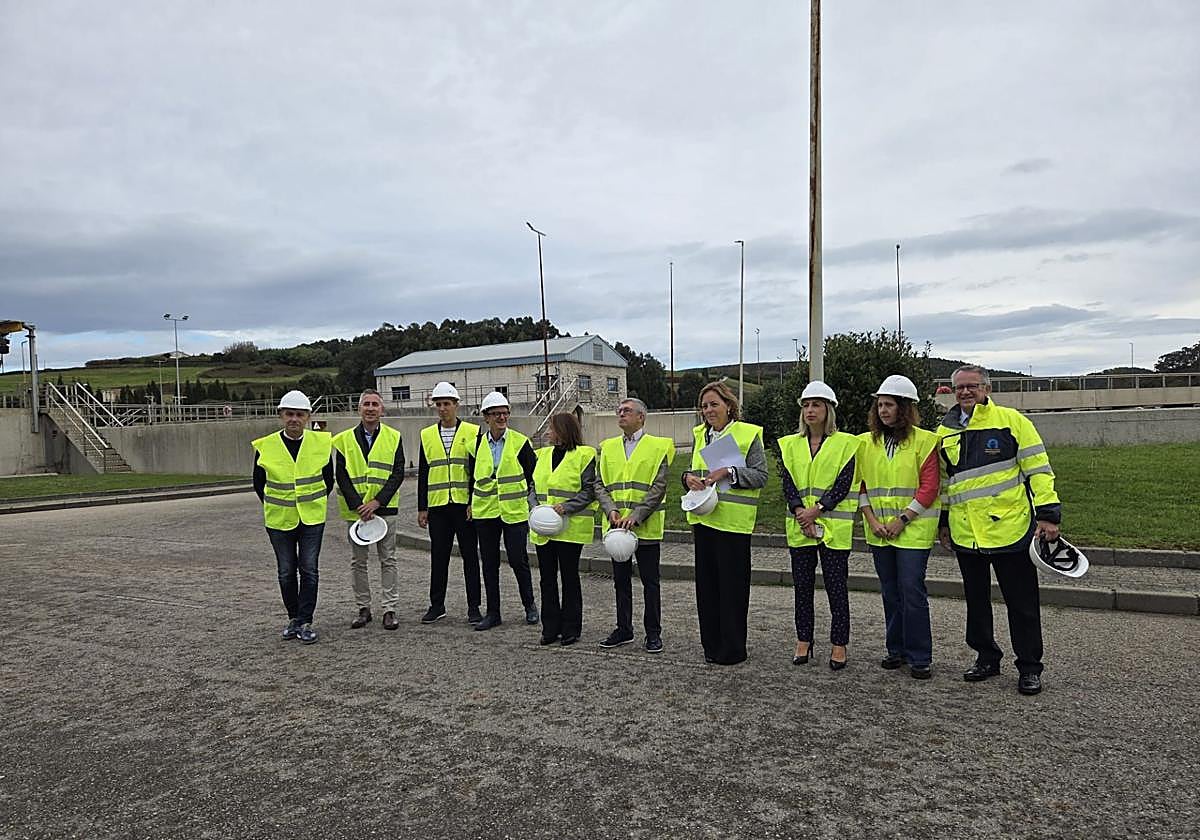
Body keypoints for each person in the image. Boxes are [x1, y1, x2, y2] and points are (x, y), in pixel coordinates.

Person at [937, 365, 1061, 696]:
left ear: (987, 388)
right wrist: (944, 522)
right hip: (967, 534)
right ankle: (986, 657)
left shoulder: (1012, 421)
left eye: (972, 386)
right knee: (977, 603)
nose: (965, 392)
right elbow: (946, 484)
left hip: (1010, 528)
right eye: (960, 387)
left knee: (1022, 604)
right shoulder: (944, 432)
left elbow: (1039, 470)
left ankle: (1030, 667)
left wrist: (1048, 515)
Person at [856, 375, 940, 679]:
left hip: (912, 531)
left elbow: (929, 488)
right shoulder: (867, 442)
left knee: (911, 591)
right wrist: (874, 520)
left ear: (904, 408)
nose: (883, 410)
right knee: (890, 592)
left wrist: (902, 520)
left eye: (889, 405)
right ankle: (896, 650)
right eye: (880, 405)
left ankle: (920, 656)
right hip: (879, 531)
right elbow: (861, 485)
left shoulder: (925, 441)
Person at [682, 381, 767, 665]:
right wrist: (687, 478)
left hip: (733, 525)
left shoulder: (747, 434)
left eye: (714, 404)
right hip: (704, 521)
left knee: (732, 590)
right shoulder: (700, 435)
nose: (708, 410)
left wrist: (729, 471)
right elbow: (694, 470)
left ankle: (732, 649)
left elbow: (761, 476)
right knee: (706, 589)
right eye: (704, 406)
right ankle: (711, 646)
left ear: (729, 406)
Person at [777, 381, 859, 671]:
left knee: (837, 589)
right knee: (802, 588)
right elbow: (787, 484)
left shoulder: (847, 443)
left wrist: (817, 511)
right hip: (801, 528)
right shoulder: (789, 444)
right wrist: (801, 512)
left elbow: (844, 484)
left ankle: (839, 644)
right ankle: (804, 639)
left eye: (816, 405)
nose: (810, 410)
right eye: (806, 405)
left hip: (832, 528)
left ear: (829, 409)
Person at [251, 390, 334, 645]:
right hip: (279, 520)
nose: (294, 419)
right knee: (286, 572)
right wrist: (279, 504)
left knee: (309, 569)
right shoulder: (265, 446)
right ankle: (293, 618)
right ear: (281, 416)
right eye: (289, 414)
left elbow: (328, 481)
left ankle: (306, 620)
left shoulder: (320, 444)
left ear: (308, 417)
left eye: (299, 414)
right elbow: (258, 483)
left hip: (311, 518)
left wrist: (310, 501)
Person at [593, 398, 676, 653]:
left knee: (651, 583)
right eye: (619, 411)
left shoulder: (658, 446)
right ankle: (623, 629)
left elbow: (659, 486)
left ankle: (653, 633)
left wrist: (637, 515)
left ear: (641, 417)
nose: (620, 414)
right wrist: (611, 510)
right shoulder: (607, 447)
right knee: (620, 582)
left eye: (626, 411)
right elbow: (599, 484)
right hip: (617, 529)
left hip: (645, 528)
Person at [332, 388, 405, 631]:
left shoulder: (394, 437)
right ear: (359, 408)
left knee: (389, 559)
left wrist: (377, 502)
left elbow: (397, 473)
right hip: (357, 513)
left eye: (375, 404)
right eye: (367, 404)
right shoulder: (343, 440)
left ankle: (389, 609)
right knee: (358, 562)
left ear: (382, 409)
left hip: (385, 509)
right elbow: (340, 475)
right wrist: (358, 505)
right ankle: (363, 608)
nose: (371, 408)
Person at [469, 391, 539, 631]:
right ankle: (493, 613)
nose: (501, 417)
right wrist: (470, 504)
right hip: (486, 513)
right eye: (496, 413)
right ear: (485, 418)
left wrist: (533, 505)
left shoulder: (520, 442)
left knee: (519, 561)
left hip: (514, 512)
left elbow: (533, 475)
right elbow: (471, 478)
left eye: (504, 413)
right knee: (489, 564)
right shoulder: (474, 445)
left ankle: (530, 606)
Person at [417, 381, 483, 626]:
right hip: (438, 507)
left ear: (457, 405)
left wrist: (474, 501)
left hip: (463, 505)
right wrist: (422, 507)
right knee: (439, 557)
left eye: (447, 404)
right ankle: (437, 605)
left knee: (470, 557)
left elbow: (478, 469)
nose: (443, 408)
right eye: (439, 404)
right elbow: (424, 472)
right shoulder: (426, 435)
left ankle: (474, 607)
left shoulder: (473, 432)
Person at [530, 412, 598, 647]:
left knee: (569, 578)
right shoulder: (542, 455)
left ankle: (571, 628)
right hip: (543, 529)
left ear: (563, 430)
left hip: (570, 528)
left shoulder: (584, 455)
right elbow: (532, 486)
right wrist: (535, 508)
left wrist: (567, 507)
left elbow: (589, 491)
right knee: (546, 579)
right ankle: (550, 628)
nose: (547, 432)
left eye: (551, 428)